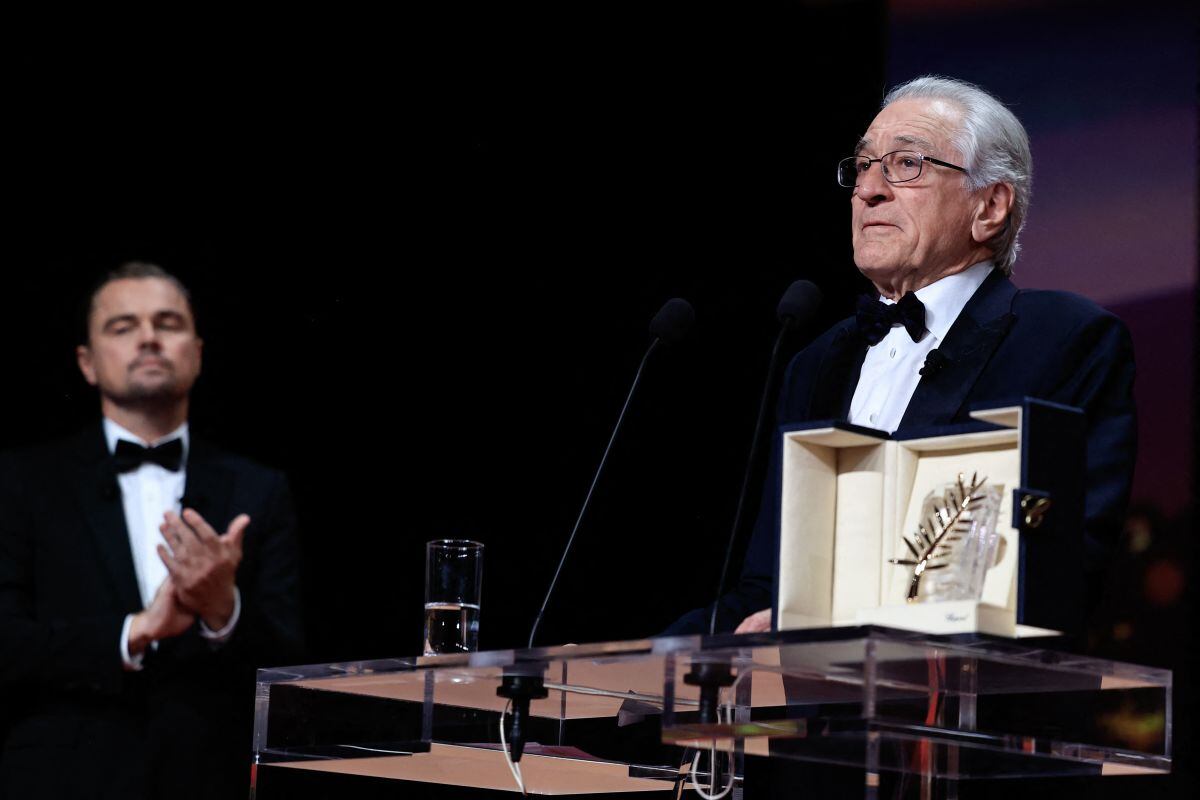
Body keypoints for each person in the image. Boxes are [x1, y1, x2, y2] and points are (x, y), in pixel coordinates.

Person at [667, 75, 1136, 636]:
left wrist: (844, 625)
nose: (869, 190)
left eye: (907, 163)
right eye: (863, 166)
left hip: (973, 709)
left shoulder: (1065, 341)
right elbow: (769, 585)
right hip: (823, 717)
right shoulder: (815, 364)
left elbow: (1059, 571)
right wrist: (643, 658)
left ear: (989, 206)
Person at [0, 262, 304, 799]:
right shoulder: (22, 482)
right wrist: (135, 630)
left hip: (209, 778)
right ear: (87, 363)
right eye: (123, 326)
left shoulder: (260, 489)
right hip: (59, 780)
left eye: (167, 323)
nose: (148, 338)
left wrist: (222, 610)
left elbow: (291, 667)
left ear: (198, 352)